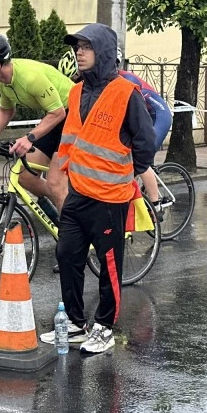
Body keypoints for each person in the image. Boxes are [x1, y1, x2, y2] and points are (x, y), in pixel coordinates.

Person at [41, 23, 159, 355]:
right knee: (67, 255)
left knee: (108, 265)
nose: (78, 52)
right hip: (79, 193)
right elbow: (70, 138)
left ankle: (104, 327)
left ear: (103, 52)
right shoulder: (77, 91)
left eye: (86, 47)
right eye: (76, 46)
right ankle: (76, 323)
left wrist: (128, 173)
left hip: (110, 198)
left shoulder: (125, 93)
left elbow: (145, 142)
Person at [0, 33, 73, 212]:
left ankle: (72, 235)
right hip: (56, 118)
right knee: (23, 176)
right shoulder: (1, 82)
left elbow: (58, 112)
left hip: (74, 115)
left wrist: (29, 138)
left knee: (55, 182)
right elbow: (6, 111)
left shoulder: (30, 77)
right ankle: (69, 207)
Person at [58, 47, 167, 216]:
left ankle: (155, 202)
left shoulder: (124, 80)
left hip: (157, 114)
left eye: (76, 77)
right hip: (139, 115)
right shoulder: (89, 86)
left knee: (137, 159)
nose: (78, 81)